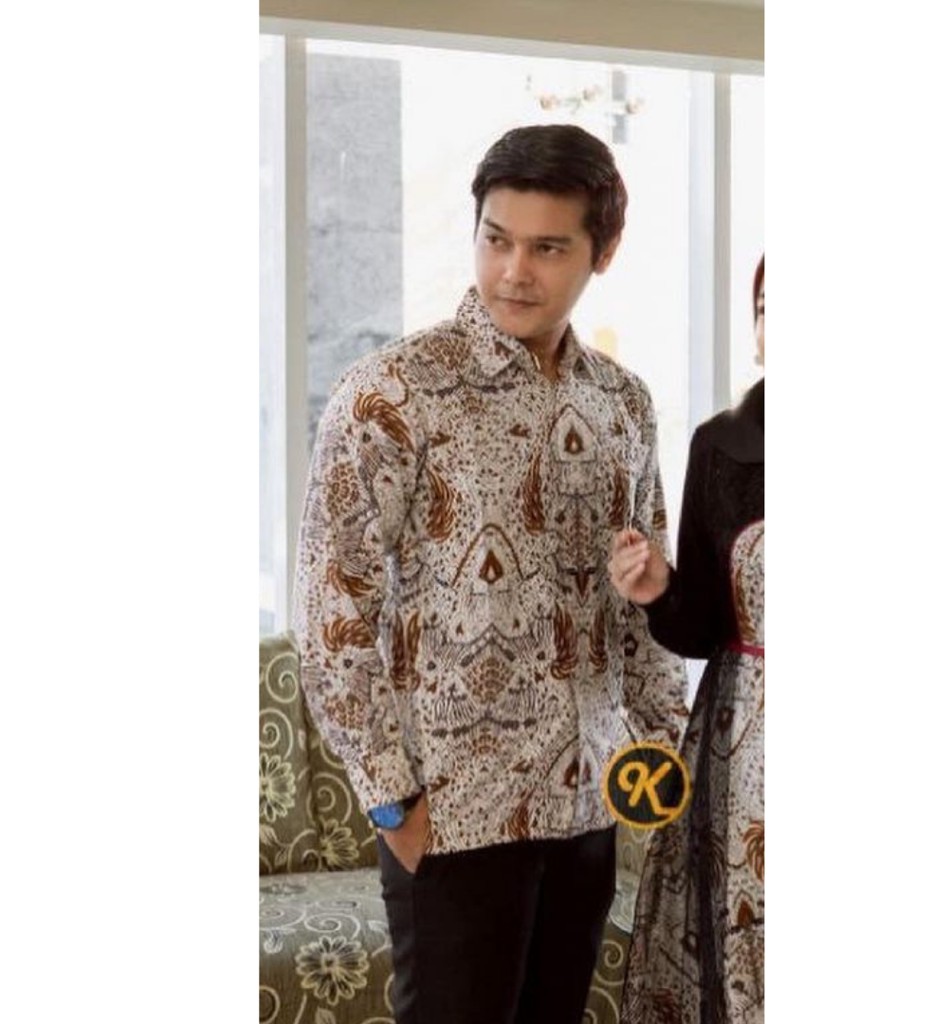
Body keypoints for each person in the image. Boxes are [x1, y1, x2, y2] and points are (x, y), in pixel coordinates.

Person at [292, 123, 688, 1024]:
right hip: (451, 814)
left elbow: (642, 606)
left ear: (603, 252)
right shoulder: (391, 394)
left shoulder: (623, 403)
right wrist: (392, 802)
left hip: (587, 806)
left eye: (548, 248)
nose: (514, 271)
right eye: (496, 239)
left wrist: (659, 758)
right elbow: (332, 608)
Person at [609, 255, 765, 1023]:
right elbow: (703, 626)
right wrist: (658, 590)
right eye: (770, 308)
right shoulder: (722, 446)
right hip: (750, 753)